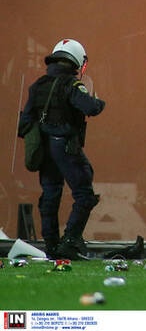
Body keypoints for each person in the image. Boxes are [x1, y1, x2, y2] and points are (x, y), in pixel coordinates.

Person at [17, 39, 105, 260]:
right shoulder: (72, 85)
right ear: (76, 60)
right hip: (65, 146)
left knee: (50, 195)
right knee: (84, 194)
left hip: (44, 148)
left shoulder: (38, 85)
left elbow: (24, 122)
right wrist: (99, 102)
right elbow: (91, 108)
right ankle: (71, 240)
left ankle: (52, 245)